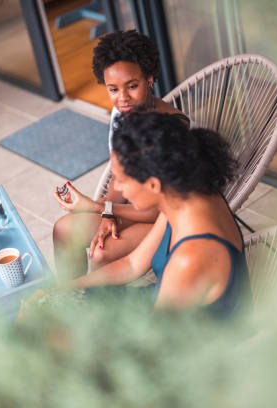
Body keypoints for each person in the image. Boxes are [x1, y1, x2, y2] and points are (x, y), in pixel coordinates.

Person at [66, 112, 250, 317]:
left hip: (194, 340)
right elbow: (131, 264)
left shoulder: (191, 256)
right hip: (164, 306)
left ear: (153, 184)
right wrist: (67, 288)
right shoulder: (181, 196)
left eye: (121, 180)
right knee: (86, 297)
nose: (117, 189)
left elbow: (153, 341)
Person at [53, 30, 189, 273]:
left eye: (132, 86)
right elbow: (118, 182)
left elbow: (161, 208)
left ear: (149, 78)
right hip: (132, 210)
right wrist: (107, 216)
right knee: (63, 230)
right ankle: (68, 300)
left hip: (167, 220)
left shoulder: (171, 129)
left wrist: (100, 208)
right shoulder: (123, 115)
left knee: (101, 254)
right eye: (113, 89)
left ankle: (106, 307)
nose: (123, 98)